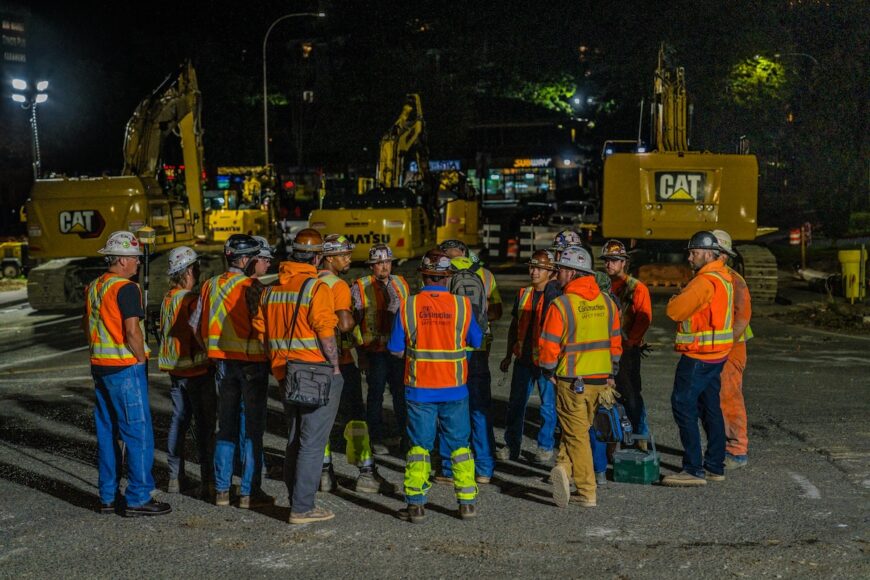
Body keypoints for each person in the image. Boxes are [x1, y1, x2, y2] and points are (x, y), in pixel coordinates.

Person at [253, 229, 342, 524]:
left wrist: (279, 362)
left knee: (294, 437)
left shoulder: (271, 289)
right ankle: (302, 507)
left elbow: (262, 335)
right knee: (312, 441)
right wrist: (336, 366)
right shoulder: (317, 289)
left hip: (284, 371)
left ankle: (296, 499)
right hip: (315, 372)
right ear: (317, 257)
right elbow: (326, 333)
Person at [388, 249, 483, 522]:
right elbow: (476, 341)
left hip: (419, 390)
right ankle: (467, 503)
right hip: (454, 388)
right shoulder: (462, 306)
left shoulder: (409, 305)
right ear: (448, 277)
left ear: (423, 275)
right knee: (459, 446)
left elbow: (395, 348)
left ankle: (416, 506)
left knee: (419, 448)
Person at [83, 231, 170, 516]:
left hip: (101, 366)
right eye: (134, 259)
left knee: (107, 433)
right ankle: (138, 497)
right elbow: (132, 331)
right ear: (121, 260)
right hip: (124, 368)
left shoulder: (95, 286)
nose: (137, 264)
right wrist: (140, 358)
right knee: (137, 433)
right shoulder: (126, 288)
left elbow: (88, 326)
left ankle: (107, 496)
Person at [538, 246, 621, 508]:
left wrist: (548, 371)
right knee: (578, 430)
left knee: (576, 435)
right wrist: (611, 373)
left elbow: (549, 348)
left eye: (561, 269)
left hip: (572, 381)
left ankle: (586, 491)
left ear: (573, 272)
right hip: (600, 382)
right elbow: (616, 344)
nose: (557, 273)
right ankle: (563, 469)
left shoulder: (562, 305)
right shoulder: (607, 302)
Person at [195, 234, 273, 508]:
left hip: (222, 364)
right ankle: (250, 492)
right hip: (251, 364)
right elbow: (263, 329)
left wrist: (210, 351)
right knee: (252, 430)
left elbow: (196, 326)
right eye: (254, 257)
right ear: (244, 260)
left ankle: (222, 490)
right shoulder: (252, 288)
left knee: (225, 427)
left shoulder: (209, 286)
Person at [662, 231, 734, 487]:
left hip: (698, 356)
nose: (690, 257)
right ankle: (715, 465)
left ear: (707, 253)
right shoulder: (723, 277)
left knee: (683, 406)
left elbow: (674, 310)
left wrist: (676, 298)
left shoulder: (704, 282)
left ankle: (693, 469)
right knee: (710, 407)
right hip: (717, 355)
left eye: (693, 252)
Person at [318, 234, 387, 494]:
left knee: (321, 419)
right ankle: (366, 473)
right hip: (342, 361)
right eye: (344, 255)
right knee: (356, 419)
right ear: (329, 258)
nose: (349, 258)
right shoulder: (337, 285)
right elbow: (346, 325)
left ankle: (324, 474)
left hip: (316, 362)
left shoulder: (310, 283)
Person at [437, 239, 501, 484]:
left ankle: (448, 467)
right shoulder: (485, 275)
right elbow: (496, 311)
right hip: (479, 347)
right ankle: (485, 467)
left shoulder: (442, 274)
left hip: (453, 351)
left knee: (450, 409)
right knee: (480, 409)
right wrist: (479, 319)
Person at [159, 246, 215, 499]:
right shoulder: (191, 300)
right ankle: (208, 480)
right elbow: (197, 332)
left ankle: (174, 477)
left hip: (175, 370)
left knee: (178, 422)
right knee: (204, 427)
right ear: (191, 270)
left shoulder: (168, 299)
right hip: (197, 370)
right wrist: (211, 354)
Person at [496, 249, 558, 463]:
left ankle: (545, 446)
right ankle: (512, 445)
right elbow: (515, 326)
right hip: (523, 360)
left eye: (539, 268)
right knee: (516, 405)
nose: (533, 271)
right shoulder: (523, 294)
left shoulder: (556, 296)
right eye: (532, 267)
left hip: (545, 362)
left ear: (550, 272)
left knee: (548, 407)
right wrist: (507, 355)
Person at [351, 244, 410, 453]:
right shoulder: (359, 287)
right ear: (371, 266)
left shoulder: (401, 283)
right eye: (379, 263)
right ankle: (375, 438)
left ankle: (404, 436)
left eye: (387, 262)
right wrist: (361, 354)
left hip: (398, 352)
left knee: (400, 395)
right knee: (375, 396)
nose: (384, 267)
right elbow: (353, 324)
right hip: (374, 352)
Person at [600, 240, 652, 444]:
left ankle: (641, 434)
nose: (609, 264)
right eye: (606, 260)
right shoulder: (601, 286)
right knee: (608, 396)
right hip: (606, 349)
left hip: (627, 351)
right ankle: (615, 436)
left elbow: (644, 317)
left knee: (631, 395)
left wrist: (631, 342)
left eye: (614, 260)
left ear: (624, 262)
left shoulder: (636, 288)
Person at [711, 229, 753, 470]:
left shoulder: (734, 280)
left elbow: (742, 318)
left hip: (731, 348)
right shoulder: (714, 277)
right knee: (713, 399)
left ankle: (737, 450)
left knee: (729, 396)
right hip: (715, 347)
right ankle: (721, 447)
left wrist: (724, 344)